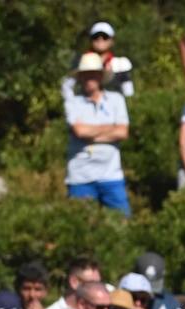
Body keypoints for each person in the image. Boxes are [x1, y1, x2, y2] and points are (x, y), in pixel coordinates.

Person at [64, 52, 131, 216]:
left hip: (111, 176)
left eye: (92, 75)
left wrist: (91, 133)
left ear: (100, 77)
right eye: (85, 75)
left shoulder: (116, 100)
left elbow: (123, 132)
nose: (89, 79)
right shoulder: (73, 103)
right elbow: (80, 131)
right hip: (80, 177)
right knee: (81, 226)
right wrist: (110, 128)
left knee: (122, 224)